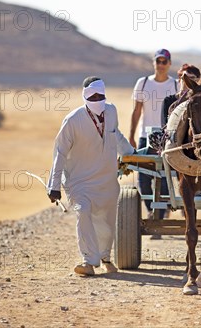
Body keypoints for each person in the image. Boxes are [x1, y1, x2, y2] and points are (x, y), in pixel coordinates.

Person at [47, 77, 135, 275]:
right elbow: (59, 152)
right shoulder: (73, 120)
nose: (97, 100)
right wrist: (53, 186)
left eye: (100, 96)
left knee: (107, 220)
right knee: (83, 212)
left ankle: (105, 257)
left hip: (107, 180)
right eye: (92, 96)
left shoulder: (111, 111)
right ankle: (88, 261)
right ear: (84, 96)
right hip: (79, 181)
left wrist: (132, 154)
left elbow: (116, 135)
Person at [129, 49, 177, 228]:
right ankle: (151, 210)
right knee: (143, 177)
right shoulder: (142, 83)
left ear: (170, 64)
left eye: (165, 61)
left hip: (168, 138)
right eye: (158, 61)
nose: (161, 65)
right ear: (154, 63)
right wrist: (131, 135)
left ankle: (161, 214)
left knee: (165, 176)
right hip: (145, 136)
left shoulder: (175, 85)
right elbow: (136, 111)